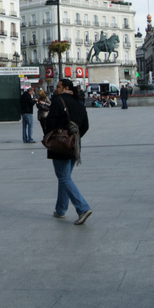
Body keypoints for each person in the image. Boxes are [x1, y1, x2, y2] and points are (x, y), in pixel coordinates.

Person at [45, 79, 92, 225]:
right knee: (64, 177)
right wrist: (73, 137)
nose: (56, 89)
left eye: (58, 86)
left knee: (63, 177)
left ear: (65, 87)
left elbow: (50, 123)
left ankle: (82, 208)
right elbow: (85, 125)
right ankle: (60, 209)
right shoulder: (79, 103)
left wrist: (52, 136)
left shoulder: (58, 101)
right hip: (74, 145)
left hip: (60, 145)